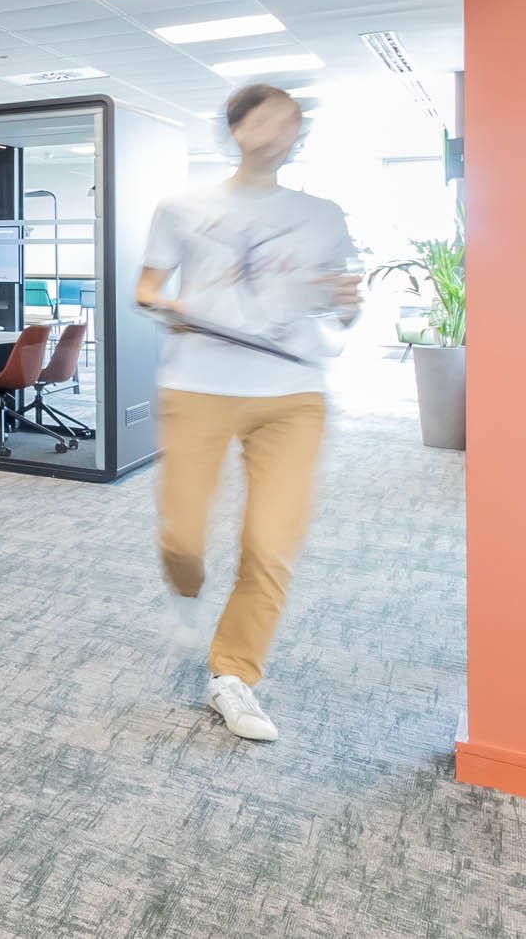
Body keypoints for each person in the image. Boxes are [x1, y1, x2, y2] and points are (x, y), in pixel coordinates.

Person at [135, 82, 360, 742]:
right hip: (199, 383)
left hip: (292, 391)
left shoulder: (323, 213)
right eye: (267, 117)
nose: (281, 130)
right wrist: (165, 305)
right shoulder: (183, 205)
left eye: (292, 121)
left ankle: (233, 676)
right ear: (236, 127)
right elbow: (148, 286)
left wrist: (345, 299)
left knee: (270, 542)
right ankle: (184, 586)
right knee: (183, 540)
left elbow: (341, 308)